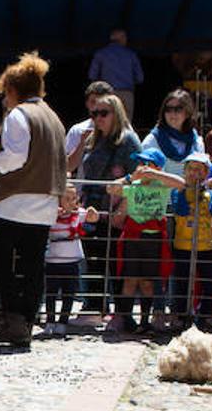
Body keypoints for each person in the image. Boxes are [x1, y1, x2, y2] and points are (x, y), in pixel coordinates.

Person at [0, 52, 68, 349]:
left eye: (5, 93)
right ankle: (26, 322)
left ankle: (15, 316)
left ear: (13, 90)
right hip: (45, 204)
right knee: (33, 266)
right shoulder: (53, 117)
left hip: (13, 200)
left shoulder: (19, 114)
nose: (5, 99)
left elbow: (16, 156)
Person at [72, 92, 141, 315]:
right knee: (94, 261)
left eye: (103, 113)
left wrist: (122, 209)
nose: (98, 118)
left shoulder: (128, 140)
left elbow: (137, 176)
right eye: (94, 113)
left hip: (115, 210)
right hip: (91, 208)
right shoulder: (93, 139)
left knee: (116, 264)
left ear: (116, 113)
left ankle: (122, 313)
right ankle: (94, 308)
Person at [141, 151, 212, 330]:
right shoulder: (179, 192)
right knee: (182, 283)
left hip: (205, 245)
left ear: (206, 173)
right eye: (191, 169)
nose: (194, 174)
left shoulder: (210, 193)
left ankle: (203, 315)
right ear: (185, 171)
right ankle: (181, 316)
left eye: (199, 170)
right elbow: (181, 210)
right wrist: (188, 190)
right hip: (182, 244)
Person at [109, 149, 172, 334]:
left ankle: (145, 320)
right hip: (132, 237)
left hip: (153, 239)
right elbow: (111, 188)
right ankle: (127, 319)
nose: (143, 167)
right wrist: (130, 177)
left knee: (147, 282)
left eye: (148, 163)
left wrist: (156, 175)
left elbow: (181, 183)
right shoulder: (133, 185)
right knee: (129, 280)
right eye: (141, 163)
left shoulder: (161, 185)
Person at [42, 185, 98, 337]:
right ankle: (50, 320)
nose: (71, 202)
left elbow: (93, 218)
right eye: (67, 199)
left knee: (69, 293)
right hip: (53, 260)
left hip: (72, 261)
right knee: (51, 293)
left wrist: (93, 212)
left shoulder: (79, 213)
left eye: (74, 198)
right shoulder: (50, 214)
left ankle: (63, 321)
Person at [142, 88, 203, 176]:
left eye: (178, 109)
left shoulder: (196, 141)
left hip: (190, 189)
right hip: (161, 189)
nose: (172, 113)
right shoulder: (152, 140)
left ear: (187, 113)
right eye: (168, 109)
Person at [88, 28, 143, 121]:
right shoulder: (131, 55)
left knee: (106, 124)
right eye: (125, 37)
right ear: (122, 38)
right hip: (127, 94)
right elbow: (140, 78)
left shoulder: (101, 54)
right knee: (126, 125)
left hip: (107, 95)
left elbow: (92, 75)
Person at [63, 80, 114, 160]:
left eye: (103, 102)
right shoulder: (78, 131)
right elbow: (65, 166)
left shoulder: (123, 132)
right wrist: (82, 143)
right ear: (87, 103)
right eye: (93, 102)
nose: (97, 106)